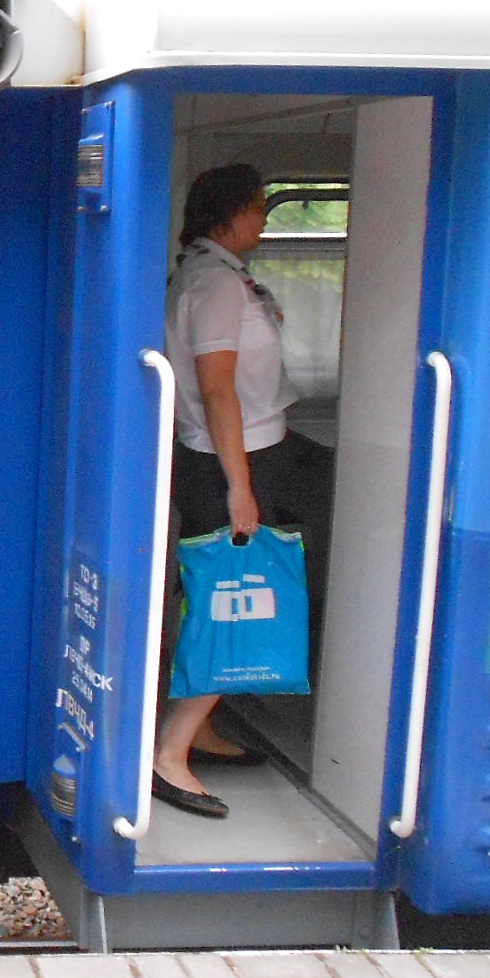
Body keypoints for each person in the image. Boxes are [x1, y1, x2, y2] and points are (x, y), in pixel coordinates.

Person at [154, 163, 335, 820]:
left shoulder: (214, 274)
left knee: (222, 596)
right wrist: (240, 487)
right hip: (233, 461)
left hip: (241, 455)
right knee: (234, 600)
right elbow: (218, 390)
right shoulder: (215, 285)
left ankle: (197, 727)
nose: (264, 218)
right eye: (259, 207)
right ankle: (170, 754)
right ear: (229, 214)